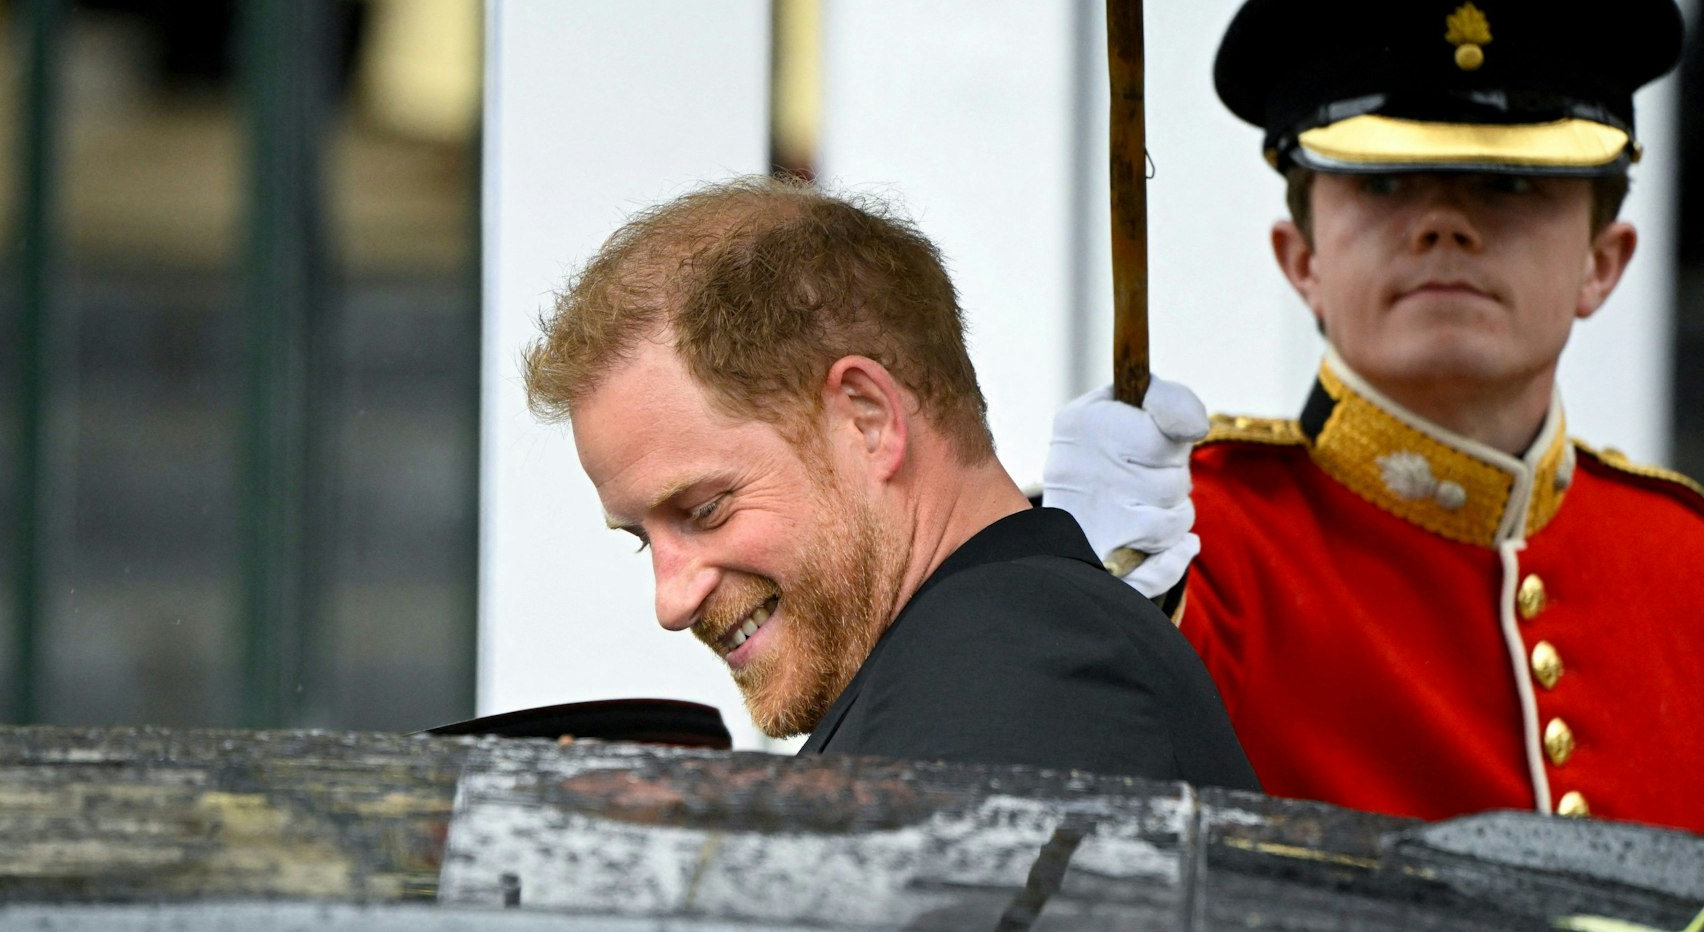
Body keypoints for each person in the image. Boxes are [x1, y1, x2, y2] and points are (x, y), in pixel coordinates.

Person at [1042, 0, 1704, 831]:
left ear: (1604, 263)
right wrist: (1067, 587)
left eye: (1508, 184)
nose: (1444, 224)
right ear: (1302, 260)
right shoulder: (1188, 551)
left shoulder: (1686, 561)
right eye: (1384, 182)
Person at [524, 177, 1256, 788]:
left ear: (867, 419)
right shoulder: (977, 667)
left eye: (706, 508)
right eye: (641, 539)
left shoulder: (1016, 674)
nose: (671, 602)